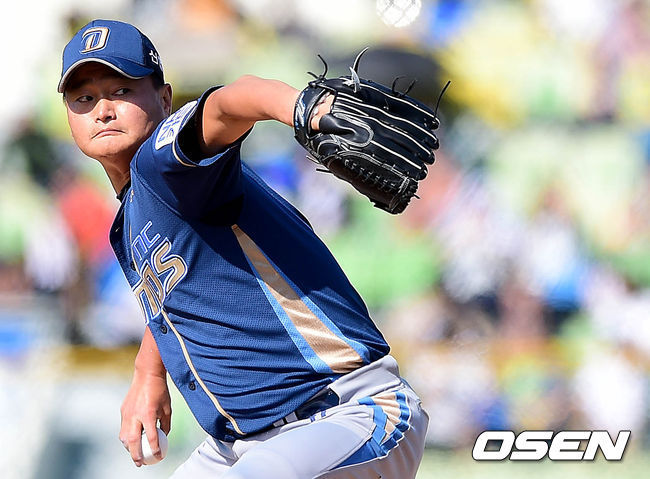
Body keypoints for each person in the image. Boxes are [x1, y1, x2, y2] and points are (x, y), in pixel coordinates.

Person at [59, 19, 429, 478]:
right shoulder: (135, 211)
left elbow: (228, 103)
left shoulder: (164, 164)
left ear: (165, 99)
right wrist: (147, 371)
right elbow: (182, 292)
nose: (103, 110)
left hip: (346, 413)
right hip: (243, 445)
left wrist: (303, 107)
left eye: (121, 90)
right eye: (84, 98)